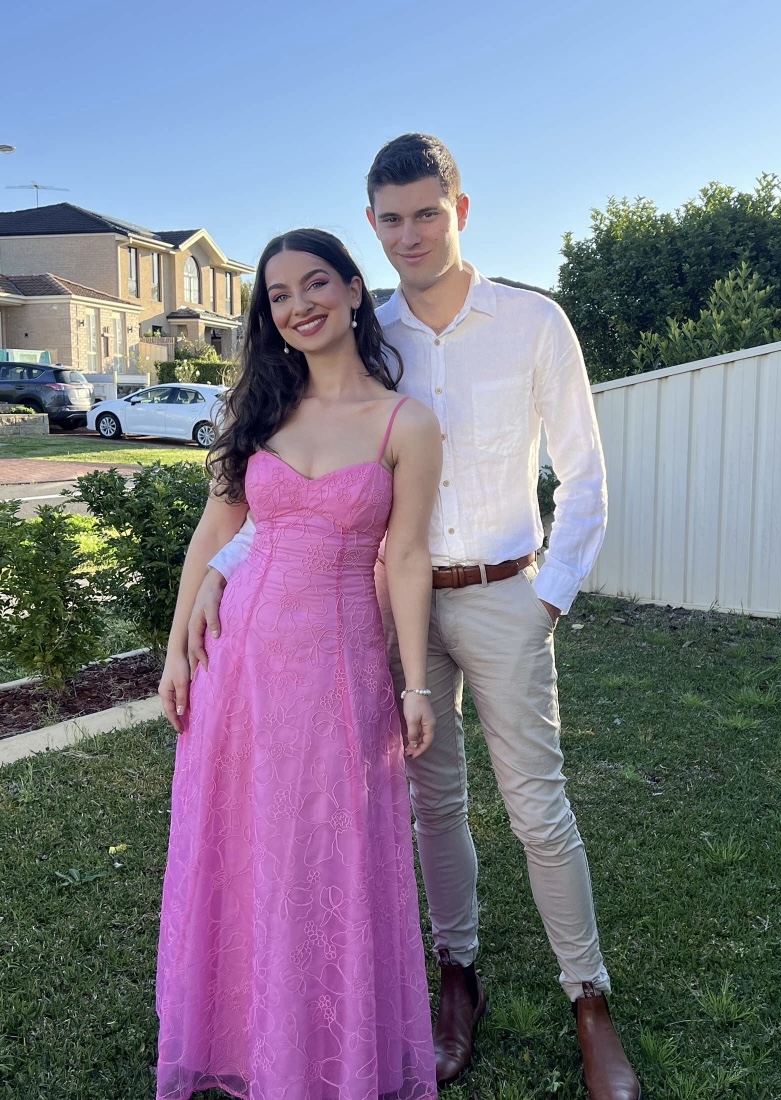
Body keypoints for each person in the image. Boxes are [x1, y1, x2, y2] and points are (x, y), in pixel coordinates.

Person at [187, 136, 640, 1100]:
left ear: (459, 210)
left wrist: (547, 597)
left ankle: (588, 998)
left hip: (504, 592)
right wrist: (224, 569)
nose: (410, 234)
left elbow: (585, 476)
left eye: (427, 213)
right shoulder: (365, 329)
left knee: (537, 805)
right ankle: (456, 976)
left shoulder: (532, 321)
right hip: (385, 607)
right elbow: (301, 481)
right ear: (371, 228)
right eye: (391, 219)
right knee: (429, 801)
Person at [155, 228, 442, 1100]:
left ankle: (325, 1052)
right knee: (245, 845)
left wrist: (416, 683)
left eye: (315, 283)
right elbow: (216, 533)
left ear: (354, 289)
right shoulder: (259, 414)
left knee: (326, 852)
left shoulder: (405, 422)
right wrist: (176, 650)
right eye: (278, 295)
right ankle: (248, 1036)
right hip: (238, 664)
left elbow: (406, 557)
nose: (298, 305)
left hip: (339, 670)